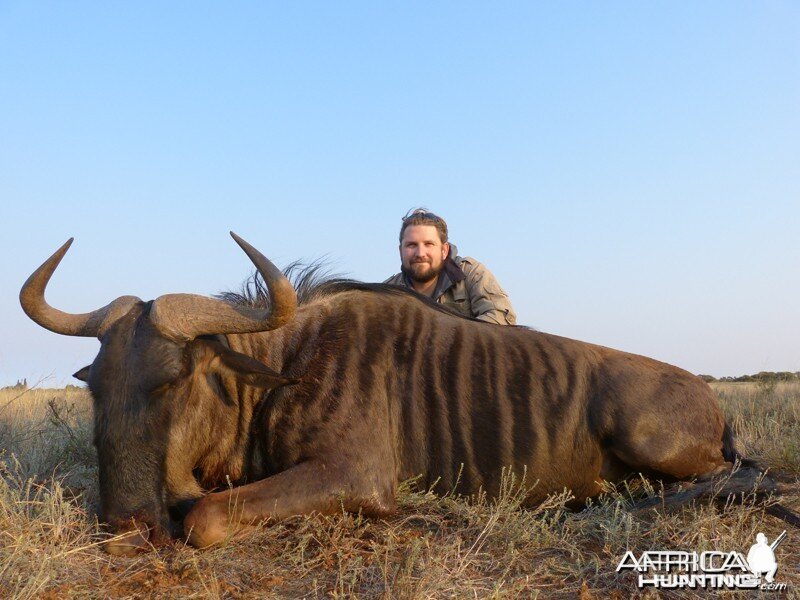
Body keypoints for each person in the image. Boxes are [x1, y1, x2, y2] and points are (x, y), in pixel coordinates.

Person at [384, 208, 517, 325]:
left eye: (429, 244)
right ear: (400, 250)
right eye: (411, 245)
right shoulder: (386, 292)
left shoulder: (471, 273)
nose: (420, 253)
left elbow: (502, 319)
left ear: (444, 250)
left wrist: (442, 337)